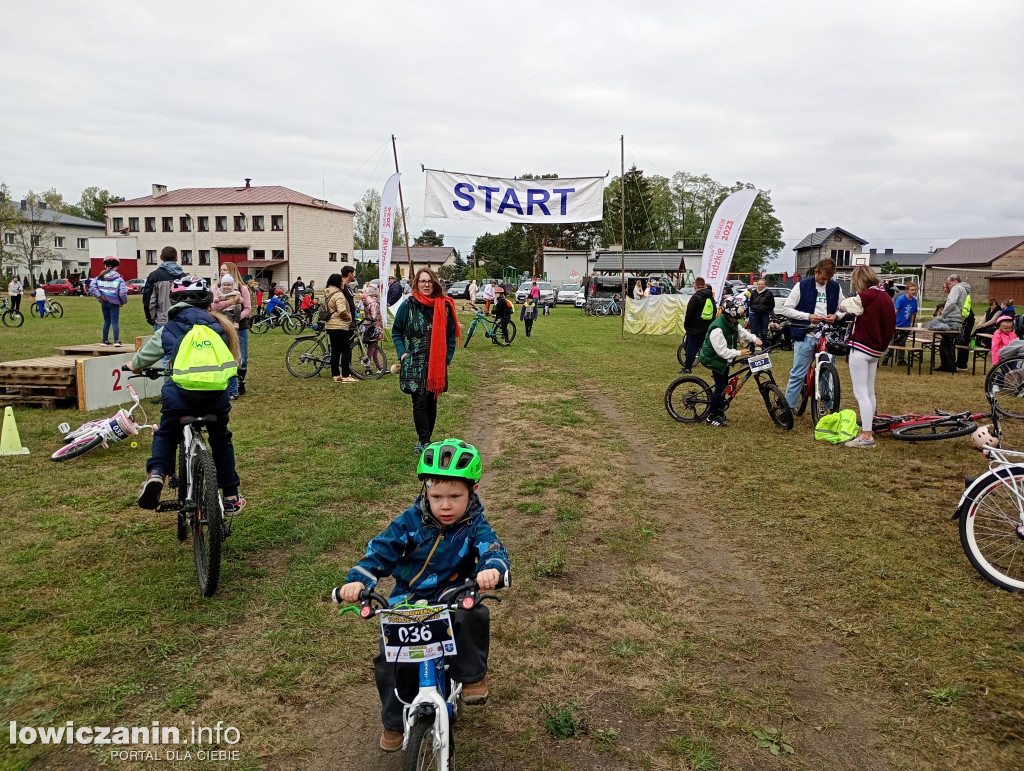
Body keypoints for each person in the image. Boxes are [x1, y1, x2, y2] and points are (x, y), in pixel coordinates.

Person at [336, 439, 509, 752]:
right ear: (425, 492)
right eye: (436, 496)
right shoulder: (409, 522)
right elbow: (381, 551)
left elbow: (491, 549)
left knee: (473, 613)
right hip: (410, 597)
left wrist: (492, 570)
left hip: (455, 592)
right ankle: (393, 721)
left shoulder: (474, 525)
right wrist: (357, 582)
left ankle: (471, 676)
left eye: (455, 496)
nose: (445, 505)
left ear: (473, 490)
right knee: (390, 657)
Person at [133, 276, 244, 514]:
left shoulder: (169, 329)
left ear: (174, 301)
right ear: (208, 301)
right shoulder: (220, 326)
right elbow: (235, 360)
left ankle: (156, 474)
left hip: (179, 397)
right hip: (215, 398)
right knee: (221, 439)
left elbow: (143, 358)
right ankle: (232, 495)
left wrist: (133, 365)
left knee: (165, 433)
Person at [392, 268, 459, 453]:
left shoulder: (444, 306)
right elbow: (397, 331)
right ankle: (424, 440)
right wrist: (402, 354)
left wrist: (446, 358)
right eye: (422, 281)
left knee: (431, 401)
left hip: (436, 363)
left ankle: (427, 438)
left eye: (429, 281)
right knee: (419, 401)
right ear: (417, 284)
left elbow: (450, 336)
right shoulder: (408, 305)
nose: (426, 284)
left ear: (435, 283)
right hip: (414, 362)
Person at [839, 266, 896, 449]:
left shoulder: (867, 296)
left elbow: (847, 305)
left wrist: (841, 305)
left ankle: (866, 435)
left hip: (862, 348)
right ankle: (868, 428)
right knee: (869, 391)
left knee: (860, 392)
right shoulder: (885, 296)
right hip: (875, 350)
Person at [780, 258, 845, 409]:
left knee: (827, 373)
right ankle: (788, 407)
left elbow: (842, 308)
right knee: (798, 373)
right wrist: (807, 316)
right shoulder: (801, 286)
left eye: (829, 279)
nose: (826, 282)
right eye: (823, 278)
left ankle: (828, 406)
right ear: (816, 272)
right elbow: (786, 309)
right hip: (806, 334)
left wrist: (836, 316)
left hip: (827, 336)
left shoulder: (835, 286)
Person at [699, 295, 760, 427]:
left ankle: (719, 410)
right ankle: (711, 416)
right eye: (736, 316)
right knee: (720, 387)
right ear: (729, 314)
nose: (738, 319)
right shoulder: (717, 329)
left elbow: (742, 332)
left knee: (724, 383)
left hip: (722, 359)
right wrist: (739, 352)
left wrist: (755, 339)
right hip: (713, 359)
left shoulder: (732, 322)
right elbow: (722, 351)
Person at [214, 262, 252, 398]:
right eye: (221, 270)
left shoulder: (242, 289)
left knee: (243, 358)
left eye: (225, 269)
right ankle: (230, 385)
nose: (222, 272)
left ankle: (240, 380)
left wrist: (236, 319)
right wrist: (228, 304)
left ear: (232, 271)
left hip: (240, 327)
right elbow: (213, 306)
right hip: (222, 327)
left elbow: (247, 308)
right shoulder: (217, 289)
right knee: (227, 357)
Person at [927, 274, 970, 373]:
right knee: (945, 343)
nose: (949, 286)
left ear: (954, 281)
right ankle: (945, 365)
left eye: (949, 283)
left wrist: (943, 314)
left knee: (933, 326)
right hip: (958, 320)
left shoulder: (956, 288)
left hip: (951, 319)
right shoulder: (964, 290)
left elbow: (951, 302)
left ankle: (950, 366)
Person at [323, 273, 356, 383]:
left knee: (335, 351)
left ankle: (336, 375)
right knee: (346, 351)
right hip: (339, 326)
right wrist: (348, 318)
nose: (343, 283)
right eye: (342, 282)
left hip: (330, 326)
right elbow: (342, 311)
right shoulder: (339, 295)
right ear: (338, 283)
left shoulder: (328, 293)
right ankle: (346, 376)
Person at [143, 246, 186, 331]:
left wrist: (150, 318)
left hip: (160, 321)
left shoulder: (154, 276)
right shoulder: (184, 277)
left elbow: (149, 300)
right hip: (180, 320)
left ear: (161, 257)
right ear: (176, 258)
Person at [90, 258, 128, 346]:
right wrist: (122, 301)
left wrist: (99, 296)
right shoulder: (119, 278)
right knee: (115, 322)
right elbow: (123, 292)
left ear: (105, 265)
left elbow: (92, 287)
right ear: (117, 266)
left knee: (107, 321)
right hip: (114, 303)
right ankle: (116, 341)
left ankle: (104, 340)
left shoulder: (99, 277)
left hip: (104, 302)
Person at [682, 277, 716, 373]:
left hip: (694, 328)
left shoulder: (695, 297)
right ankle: (714, 367)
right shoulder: (710, 297)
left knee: (690, 350)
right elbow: (714, 311)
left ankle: (687, 368)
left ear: (695, 286)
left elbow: (689, 314)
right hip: (706, 328)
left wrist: (687, 326)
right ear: (705, 286)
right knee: (707, 349)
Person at [882, 282, 919, 365]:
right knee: (892, 342)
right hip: (897, 324)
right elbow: (895, 311)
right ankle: (886, 358)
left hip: (906, 325)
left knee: (902, 343)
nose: (914, 291)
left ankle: (900, 360)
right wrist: (892, 323)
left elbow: (913, 313)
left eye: (915, 290)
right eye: (912, 290)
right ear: (907, 291)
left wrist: (911, 324)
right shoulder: (901, 299)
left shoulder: (914, 301)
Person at [748, 278, 774, 347]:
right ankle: (752, 349)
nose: (761, 286)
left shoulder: (769, 293)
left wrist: (767, 310)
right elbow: (750, 303)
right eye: (759, 284)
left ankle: (764, 348)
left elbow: (772, 304)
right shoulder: (753, 292)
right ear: (757, 285)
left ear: (765, 285)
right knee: (753, 332)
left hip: (764, 314)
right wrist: (754, 308)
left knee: (764, 332)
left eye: (762, 284)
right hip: (754, 314)